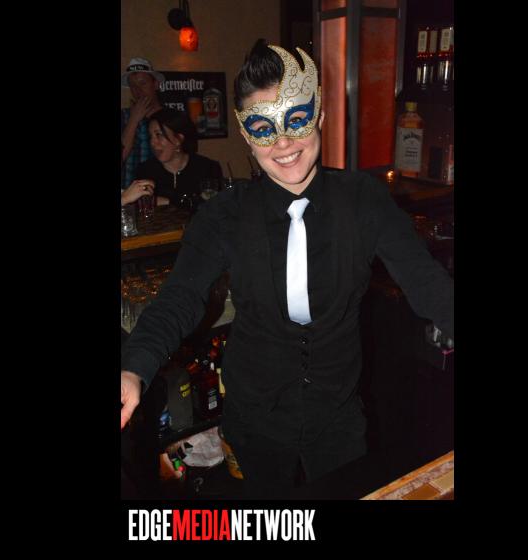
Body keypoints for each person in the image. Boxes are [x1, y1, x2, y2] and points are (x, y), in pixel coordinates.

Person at [120, 40, 454, 499]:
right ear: (246, 134)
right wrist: (134, 367)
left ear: (319, 116)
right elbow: (181, 296)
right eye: (263, 128)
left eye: (296, 120)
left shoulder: (364, 199)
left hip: (338, 412)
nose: (282, 143)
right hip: (254, 414)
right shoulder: (224, 215)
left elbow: (423, 278)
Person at [135, 108, 223, 208]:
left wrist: (169, 201)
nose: (152, 142)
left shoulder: (208, 168)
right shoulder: (145, 170)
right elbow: (141, 207)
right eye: (151, 136)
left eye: (159, 135)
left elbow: (215, 207)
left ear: (179, 139)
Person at [121, 57, 165, 188]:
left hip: (161, 191)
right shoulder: (123, 116)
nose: (138, 90)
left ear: (155, 84)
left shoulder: (170, 118)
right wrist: (133, 120)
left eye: (143, 83)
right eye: (133, 86)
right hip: (128, 192)